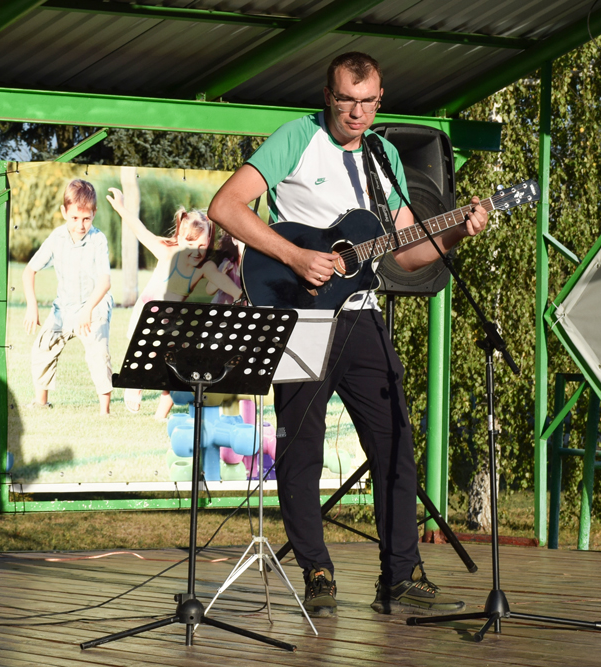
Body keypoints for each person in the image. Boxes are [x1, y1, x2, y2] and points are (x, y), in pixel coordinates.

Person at [208, 52, 488, 617]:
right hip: (301, 315)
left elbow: (406, 253)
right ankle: (317, 572)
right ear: (328, 97)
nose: (357, 113)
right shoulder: (297, 137)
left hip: (362, 314)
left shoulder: (384, 156)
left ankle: (400, 574)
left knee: (395, 442)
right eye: (346, 101)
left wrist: (458, 230)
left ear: (380, 100)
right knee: (301, 451)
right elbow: (225, 206)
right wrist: (295, 255)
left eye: (368, 102)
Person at [106, 167, 241, 416]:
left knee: (173, 366)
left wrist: (240, 294)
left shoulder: (204, 267)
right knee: (146, 356)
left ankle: (161, 414)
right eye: (190, 243)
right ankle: (134, 384)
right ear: (179, 238)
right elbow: (141, 231)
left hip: (173, 322)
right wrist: (121, 207)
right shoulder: (166, 252)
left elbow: (223, 282)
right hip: (148, 314)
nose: (196, 251)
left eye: (202, 245)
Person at [23, 179, 114, 416]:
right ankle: (41, 403)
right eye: (74, 218)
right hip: (64, 308)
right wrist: (32, 305)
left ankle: (104, 412)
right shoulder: (56, 238)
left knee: (98, 353)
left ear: (94, 214)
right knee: (43, 347)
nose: (80, 225)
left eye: (86, 219)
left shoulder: (98, 240)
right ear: (64, 212)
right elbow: (29, 271)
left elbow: (105, 282)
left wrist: (88, 310)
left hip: (94, 305)